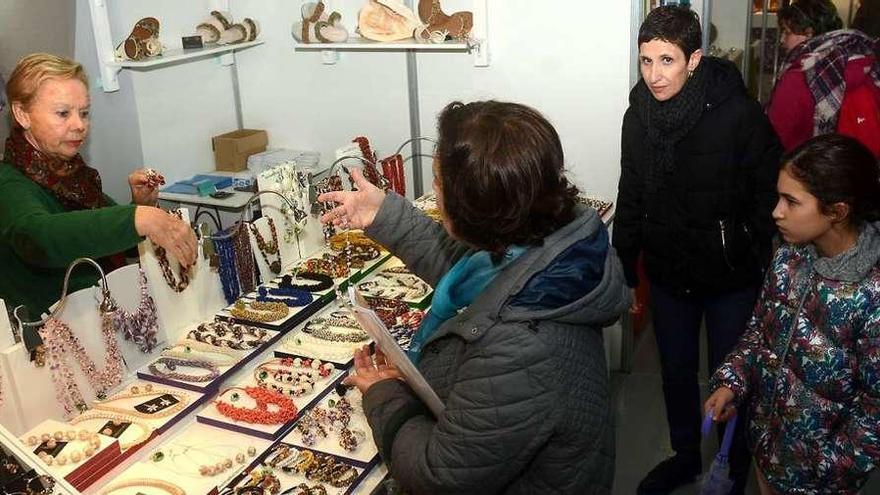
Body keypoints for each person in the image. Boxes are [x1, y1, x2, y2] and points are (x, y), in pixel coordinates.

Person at [319, 100, 630, 494]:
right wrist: (383, 213)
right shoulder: (545, 247)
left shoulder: (520, 346)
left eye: (437, 182)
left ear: (473, 209)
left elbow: (441, 476)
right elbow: (463, 270)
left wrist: (385, 396)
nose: (433, 190)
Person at [613, 6, 782, 495]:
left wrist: (743, 241)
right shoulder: (638, 116)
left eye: (667, 61)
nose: (654, 74)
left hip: (731, 276)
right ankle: (685, 456)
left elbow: (770, 188)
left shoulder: (737, 113)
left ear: (694, 59)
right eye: (645, 61)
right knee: (676, 372)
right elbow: (632, 194)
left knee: (732, 377)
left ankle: (731, 463)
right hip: (670, 274)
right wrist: (624, 266)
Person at [706, 134, 880, 495]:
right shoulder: (789, 257)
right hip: (766, 448)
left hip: (819, 479)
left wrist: (822, 466)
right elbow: (759, 331)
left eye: (791, 201)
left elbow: (874, 415)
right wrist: (731, 382)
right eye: (778, 197)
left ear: (837, 211)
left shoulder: (871, 296)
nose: (776, 212)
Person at [0, 53, 196, 317]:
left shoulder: (71, 175)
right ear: (22, 114)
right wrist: (139, 218)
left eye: (84, 113)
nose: (79, 125)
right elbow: (40, 237)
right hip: (52, 342)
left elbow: (115, 240)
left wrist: (141, 205)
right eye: (63, 113)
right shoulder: (9, 183)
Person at [767, 0, 880, 153]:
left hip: (806, 167)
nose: (782, 40)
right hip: (853, 162)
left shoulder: (799, 77)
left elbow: (775, 137)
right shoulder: (860, 59)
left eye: (787, 33)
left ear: (809, 33)